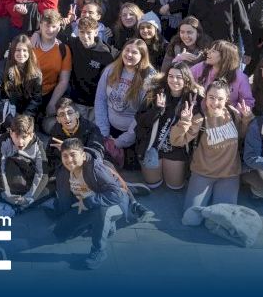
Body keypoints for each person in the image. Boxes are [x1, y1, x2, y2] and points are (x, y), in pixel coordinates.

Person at [50, 138, 153, 269]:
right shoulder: (63, 172)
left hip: (113, 203)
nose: (69, 160)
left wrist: (89, 202)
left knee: (101, 212)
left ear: (83, 155)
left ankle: (99, 250)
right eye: (65, 156)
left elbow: (116, 195)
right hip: (86, 203)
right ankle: (104, 224)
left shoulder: (96, 168)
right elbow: (64, 197)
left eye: (73, 155)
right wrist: (63, 214)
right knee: (60, 234)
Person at [171, 81, 253, 226]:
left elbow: (240, 135)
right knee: (191, 220)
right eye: (211, 97)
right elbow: (177, 141)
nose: (215, 103)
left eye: (220, 99)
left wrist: (246, 120)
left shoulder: (233, 114)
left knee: (220, 222)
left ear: (226, 99)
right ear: (206, 97)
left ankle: (214, 206)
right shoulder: (200, 118)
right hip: (203, 173)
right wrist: (184, 122)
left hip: (229, 175)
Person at [133, 62, 201, 190]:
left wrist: (187, 119)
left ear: (186, 79)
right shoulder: (155, 93)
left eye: (179, 77)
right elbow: (140, 121)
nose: (174, 80)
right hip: (152, 146)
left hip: (177, 148)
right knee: (153, 185)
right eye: (171, 76)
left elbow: (197, 128)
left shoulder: (194, 99)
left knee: (174, 186)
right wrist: (156, 110)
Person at [94, 39, 156, 169]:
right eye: (127, 50)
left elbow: (142, 115)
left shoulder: (149, 77)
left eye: (134, 52)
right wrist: (104, 133)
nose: (129, 55)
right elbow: (100, 100)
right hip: (109, 130)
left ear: (142, 56)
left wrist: (121, 141)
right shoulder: (111, 69)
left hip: (133, 136)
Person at [0, 114, 50, 215]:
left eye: (24, 137)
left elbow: (42, 173)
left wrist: (29, 198)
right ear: (11, 133)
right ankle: (17, 205)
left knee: (47, 190)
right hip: (9, 176)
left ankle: (19, 205)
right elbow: (0, 168)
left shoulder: (38, 145)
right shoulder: (3, 141)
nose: (20, 142)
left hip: (27, 178)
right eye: (16, 136)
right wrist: (7, 194)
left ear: (31, 135)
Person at [0, 35, 43, 135]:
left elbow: (36, 98)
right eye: (18, 50)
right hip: (3, 108)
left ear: (29, 52)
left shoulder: (36, 72)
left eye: (25, 50)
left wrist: (26, 118)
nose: (21, 54)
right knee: (9, 134)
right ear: (12, 51)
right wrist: (10, 122)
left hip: (23, 109)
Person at [188, 0, 254, 53]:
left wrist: (248, 52)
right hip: (204, 50)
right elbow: (190, 27)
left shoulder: (233, 1)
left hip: (228, 50)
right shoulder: (196, 2)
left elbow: (245, 28)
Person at [191, 40, 255, 108]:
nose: (208, 52)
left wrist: (234, 111)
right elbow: (186, 78)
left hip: (226, 113)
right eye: (210, 49)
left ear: (224, 56)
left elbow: (248, 103)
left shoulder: (240, 78)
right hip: (200, 111)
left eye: (213, 51)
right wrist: (196, 86)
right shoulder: (202, 67)